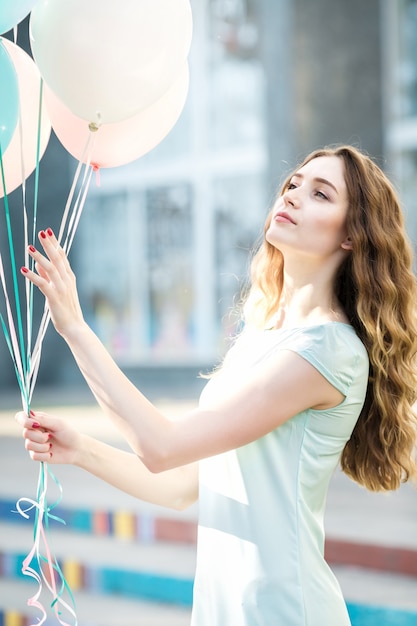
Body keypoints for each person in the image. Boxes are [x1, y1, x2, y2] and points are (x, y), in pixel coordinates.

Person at [16, 145, 417, 626]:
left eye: (320, 194)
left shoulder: (327, 350)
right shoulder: (263, 337)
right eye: (293, 185)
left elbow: (161, 447)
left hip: (284, 611)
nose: (292, 196)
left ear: (352, 234)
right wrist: (81, 449)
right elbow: (182, 486)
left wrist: (76, 329)